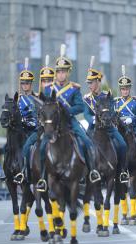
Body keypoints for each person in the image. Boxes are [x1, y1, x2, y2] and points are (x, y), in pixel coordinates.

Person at [37, 44, 101, 191]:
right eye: (58, 72)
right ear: (55, 73)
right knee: (41, 147)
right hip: (52, 124)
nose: (61, 75)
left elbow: (80, 107)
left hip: (70, 121)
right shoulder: (48, 89)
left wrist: (67, 110)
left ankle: (92, 172)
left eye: (63, 72)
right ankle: (42, 178)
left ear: (68, 73)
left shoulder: (74, 89)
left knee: (86, 142)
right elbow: (43, 107)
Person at [83, 56, 129, 183]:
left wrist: (108, 118)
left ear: (98, 82)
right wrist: (91, 119)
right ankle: (86, 172)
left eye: (91, 82)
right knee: (83, 145)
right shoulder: (86, 98)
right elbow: (86, 113)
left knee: (123, 145)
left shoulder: (107, 95)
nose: (89, 85)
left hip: (108, 127)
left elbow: (113, 110)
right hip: (93, 128)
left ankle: (121, 172)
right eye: (88, 83)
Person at [13, 58, 41, 184]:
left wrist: (31, 122)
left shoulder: (37, 99)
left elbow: (40, 116)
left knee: (26, 147)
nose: (25, 85)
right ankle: (8, 171)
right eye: (23, 83)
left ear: (31, 84)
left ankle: (24, 172)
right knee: (9, 146)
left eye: (27, 83)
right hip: (23, 130)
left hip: (34, 130)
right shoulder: (19, 100)